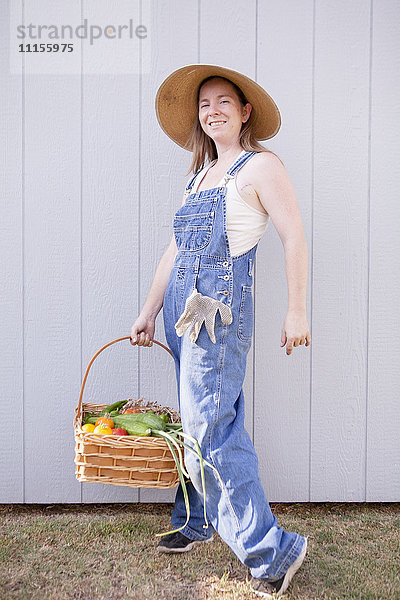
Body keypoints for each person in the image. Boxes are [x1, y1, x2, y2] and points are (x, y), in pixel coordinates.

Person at [130, 64, 311, 599]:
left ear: (244, 111)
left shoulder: (260, 167)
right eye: (204, 104)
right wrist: (148, 309)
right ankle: (201, 519)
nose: (212, 111)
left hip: (218, 315)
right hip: (181, 313)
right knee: (199, 420)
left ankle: (272, 551)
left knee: (210, 424)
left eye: (223, 102)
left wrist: (297, 309)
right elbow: (175, 252)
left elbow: (293, 234)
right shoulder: (199, 176)